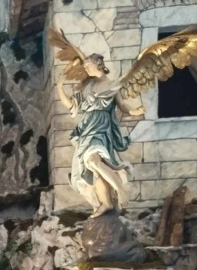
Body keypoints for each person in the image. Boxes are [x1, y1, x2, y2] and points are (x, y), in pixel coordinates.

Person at [56, 54, 144, 218]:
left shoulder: (112, 85)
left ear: (99, 64)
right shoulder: (87, 86)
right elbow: (71, 104)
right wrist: (60, 87)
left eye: (88, 66)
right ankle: (106, 203)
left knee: (92, 161)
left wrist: (135, 112)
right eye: (85, 66)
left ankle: (120, 189)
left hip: (102, 128)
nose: (85, 69)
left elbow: (122, 106)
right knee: (93, 170)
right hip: (87, 129)